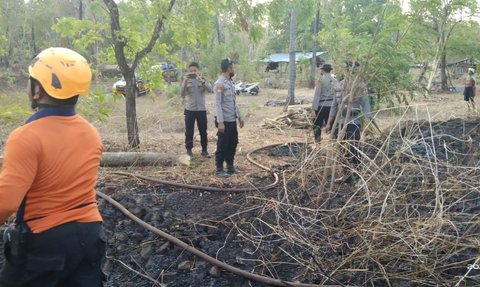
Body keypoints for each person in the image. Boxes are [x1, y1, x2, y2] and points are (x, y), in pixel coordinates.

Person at [0, 47, 105, 286]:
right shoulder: (90, 133)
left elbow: (5, 202)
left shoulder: (26, 136)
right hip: (91, 236)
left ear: (37, 90)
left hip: (45, 242)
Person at [326, 61, 372, 184]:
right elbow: (334, 105)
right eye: (347, 69)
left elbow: (366, 105)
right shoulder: (338, 86)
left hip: (354, 121)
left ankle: (358, 176)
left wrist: (367, 123)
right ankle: (346, 175)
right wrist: (329, 123)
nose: (349, 72)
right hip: (339, 122)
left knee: (353, 148)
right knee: (341, 148)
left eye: (352, 70)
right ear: (345, 70)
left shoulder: (361, 87)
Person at [214, 58, 244, 178]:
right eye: (232, 68)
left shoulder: (230, 83)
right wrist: (220, 122)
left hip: (232, 120)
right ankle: (219, 169)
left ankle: (230, 167)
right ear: (228, 69)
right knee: (223, 145)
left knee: (233, 142)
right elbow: (218, 104)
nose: (234, 70)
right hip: (224, 121)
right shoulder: (219, 84)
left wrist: (239, 116)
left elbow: (233, 102)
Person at [180, 62, 213, 158]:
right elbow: (182, 94)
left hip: (201, 109)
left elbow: (210, 90)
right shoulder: (186, 80)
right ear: (188, 71)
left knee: (203, 131)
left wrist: (202, 81)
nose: (193, 72)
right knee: (189, 131)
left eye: (195, 71)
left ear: (198, 71)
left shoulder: (203, 79)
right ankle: (189, 151)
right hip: (190, 109)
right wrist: (185, 82)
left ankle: (204, 150)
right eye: (191, 71)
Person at [312, 63, 338, 142]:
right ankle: (334, 140)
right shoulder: (335, 80)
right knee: (332, 124)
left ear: (322, 70)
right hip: (332, 105)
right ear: (330, 70)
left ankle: (317, 140)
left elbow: (317, 95)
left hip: (321, 105)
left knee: (318, 124)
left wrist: (313, 108)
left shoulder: (320, 80)